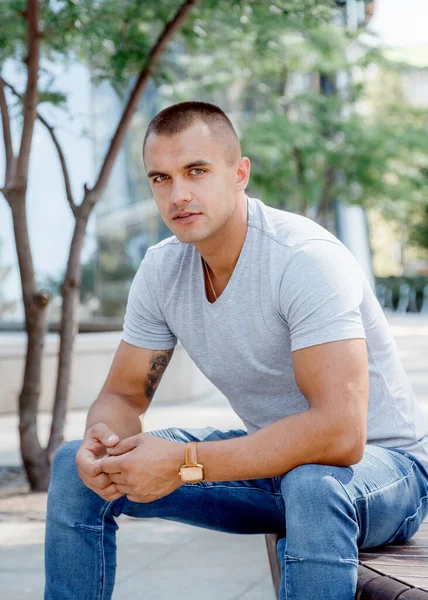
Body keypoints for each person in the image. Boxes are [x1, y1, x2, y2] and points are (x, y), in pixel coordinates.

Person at [44, 101, 428, 600]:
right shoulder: (163, 270)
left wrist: (182, 462)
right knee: (73, 467)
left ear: (239, 173)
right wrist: (105, 444)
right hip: (272, 466)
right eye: (161, 178)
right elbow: (122, 395)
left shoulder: (303, 259)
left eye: (196, 171)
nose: (178, 194)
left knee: (314, 486)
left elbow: (340, 434)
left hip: (382, 476)